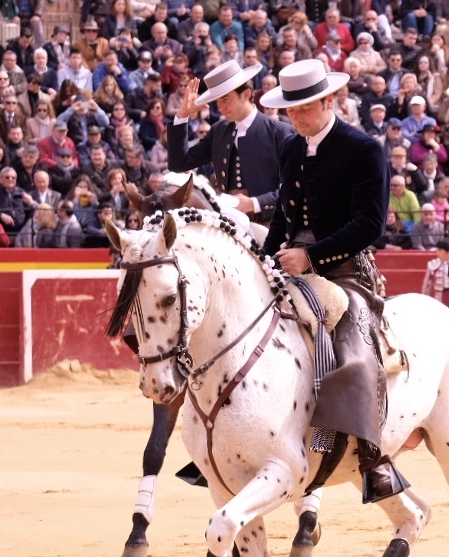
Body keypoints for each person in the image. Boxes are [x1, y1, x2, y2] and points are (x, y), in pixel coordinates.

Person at [260, 59, 409, 503]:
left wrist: (312, 255)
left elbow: (370, 225)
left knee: (353, 340)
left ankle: (372, 454)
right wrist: (264, 259)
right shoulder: (290, 148)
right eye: (290, 110)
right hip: (291, 261)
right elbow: (283, 218)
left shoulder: (364, 148)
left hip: (345, 268)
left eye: (305, 108)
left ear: (330, 101)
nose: (296, 117)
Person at [166, 58, 292, 218]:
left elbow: (294, 188)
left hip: (271, 222)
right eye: (217, 101)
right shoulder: (219, 131)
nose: (220, 107)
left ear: (246, 94)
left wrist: (256, 203)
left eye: (226, 99)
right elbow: (179, 164)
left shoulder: (279, 132)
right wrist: (182, 115)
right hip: (230, 222)